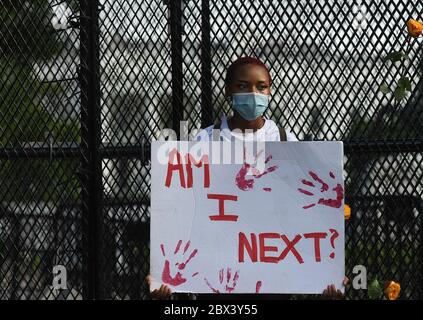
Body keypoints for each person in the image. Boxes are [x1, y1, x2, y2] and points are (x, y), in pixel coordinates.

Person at [147, 56, 347, 300]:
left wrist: (326, 271)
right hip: (218, 276)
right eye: (243, 86)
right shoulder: (205, 141)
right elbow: (182, 206)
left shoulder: (284, 141)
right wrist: (162, 273)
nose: (253, 93)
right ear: (228, 90)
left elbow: (305, 214)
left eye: (261, 86)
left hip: (275, 275)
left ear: (270, 90)